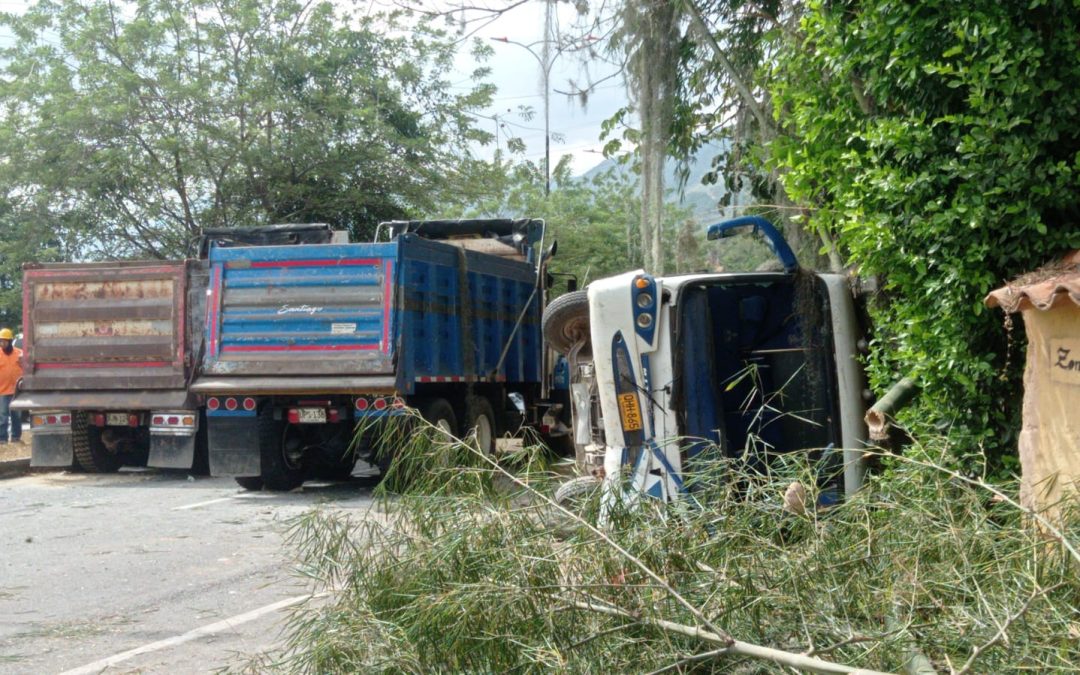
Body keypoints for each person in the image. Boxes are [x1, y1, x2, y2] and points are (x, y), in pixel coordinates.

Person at [0, 327, 23, 444]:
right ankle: (2, 439)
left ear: (10, 341)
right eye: (1, 341)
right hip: (2, 391)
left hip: (16, 391)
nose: (2, 343)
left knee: (16, 417)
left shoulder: (19, 353)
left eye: (4, 340)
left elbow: (25, 369)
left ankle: (16, 438)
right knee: (3, 417)